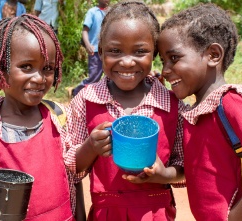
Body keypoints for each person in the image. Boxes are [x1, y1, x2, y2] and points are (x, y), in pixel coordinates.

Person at [158, 3, 242, 221]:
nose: (165, 70)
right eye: (163, 61)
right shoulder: (197, 114)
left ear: (213, 54)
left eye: (174, 58)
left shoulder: (229, 104)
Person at [0, 14, 81, 221]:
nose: (39, 78)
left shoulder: (60, 118)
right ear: (1, 68)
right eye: (26, 67)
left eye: (47, 68)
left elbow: (75, 180)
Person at [65, 1, 185, 220]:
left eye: (140, 51)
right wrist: (91, 146)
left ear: (154, 53)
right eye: (115, 51)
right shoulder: (86, 100)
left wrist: (164, 175)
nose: (127, 62)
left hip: (156, 213)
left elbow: (184, 168)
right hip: (107, 213)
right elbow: (70, 167)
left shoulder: (173, 104)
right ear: (100, 52)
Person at [71, 0, 110, 97]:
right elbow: (85, 30)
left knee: (109, 76)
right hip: (95, 51)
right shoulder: (92, 12)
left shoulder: (110, 12)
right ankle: (76, 92)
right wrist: (87, 45)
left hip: (108, 51)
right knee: (94, 77)